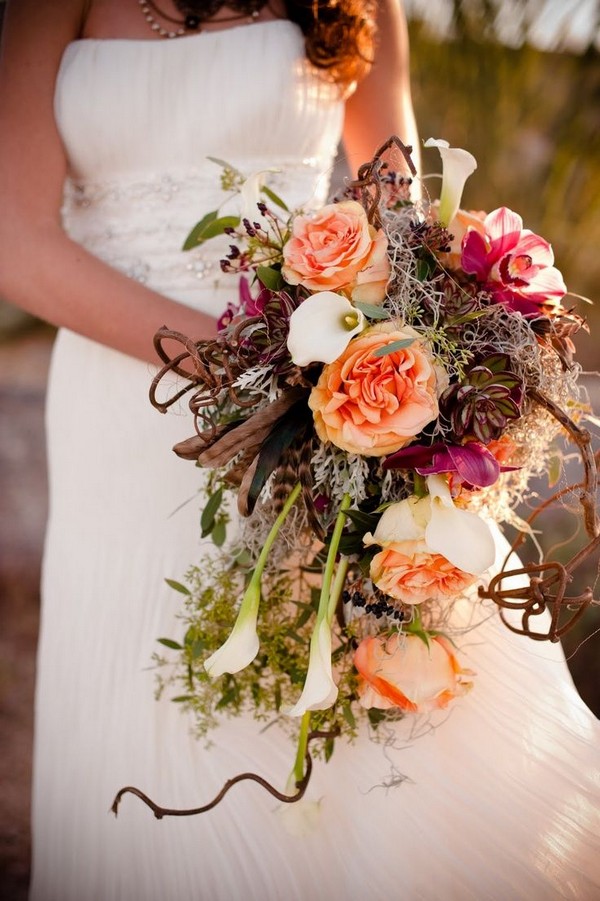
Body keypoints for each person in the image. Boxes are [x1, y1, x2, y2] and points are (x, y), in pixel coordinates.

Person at [0, 1, 598, 899]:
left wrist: (402, 350)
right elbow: (14, 239)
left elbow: (391, 192)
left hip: (314, 383)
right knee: (136, 677)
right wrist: (241, 361)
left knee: (318, 690)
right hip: (142, 397)